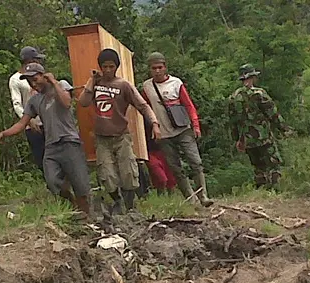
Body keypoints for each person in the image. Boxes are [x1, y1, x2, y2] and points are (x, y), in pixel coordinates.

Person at [0, 63, 90, 217]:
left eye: (35, 79)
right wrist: (4, 134)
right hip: (51, 146)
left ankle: (87, 217)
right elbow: (22, 123)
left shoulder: (61, 85)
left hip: (69, 142)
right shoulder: (34, 101)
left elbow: (66, 102)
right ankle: (71, 207)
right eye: (30, 81)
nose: (33, 84)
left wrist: (53, 82)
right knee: (52, 182)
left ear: (43, 75)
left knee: (81, 185)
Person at [78, 48, 161, 213]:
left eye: (111, 66)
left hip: (121, 136)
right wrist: (91, 81)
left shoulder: (123, 85)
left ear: (116, 66)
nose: (108, 70)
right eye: (105, 67)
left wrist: (154, 123)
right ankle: (117, 201)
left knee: (128, 172)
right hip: (102, 139)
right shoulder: (95, 84)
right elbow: (83, 102)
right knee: (107, 175)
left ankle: (130, 206)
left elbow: (142, 105)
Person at [140, 52, 213, 207]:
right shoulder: (147, 87)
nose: (157, 71)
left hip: (182, 129)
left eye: (160, 67)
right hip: (164, 135)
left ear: (165, 67)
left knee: (196, 162)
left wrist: (196, 125)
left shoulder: (176, 83)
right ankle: (190, 198)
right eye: (154, 68)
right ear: (150, 69)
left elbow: (188, 104)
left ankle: (203, 195)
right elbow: (144, 107)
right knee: (175, 168)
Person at [228, 64, 290, 189]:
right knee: (273, 163)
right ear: (252, 77)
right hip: (263, 136)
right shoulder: (259, 93)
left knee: (258, 166)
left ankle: (261, 190)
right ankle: (276, 189)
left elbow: (233, 122)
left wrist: (237, 140)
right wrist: (284, 128)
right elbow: (272, 113)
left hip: (247, 139)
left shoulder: (233, 98)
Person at [9, 46, 46, 170]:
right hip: (32, 125)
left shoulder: (40, 76)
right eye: (36, 60)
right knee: (41, 157)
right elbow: (17, 104)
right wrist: (28, 121)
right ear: (29, 61)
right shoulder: (16, 80)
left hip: (47, 121)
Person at [143, 116, 176, 195]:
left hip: (164, 150)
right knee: (160, 178)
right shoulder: (139, 115)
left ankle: (171, 200)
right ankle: (161, 197)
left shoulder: (160, 112)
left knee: (171, 179)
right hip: (149, 151)